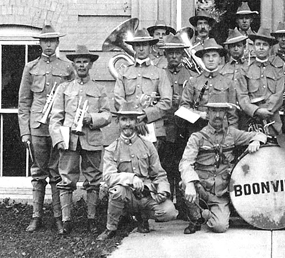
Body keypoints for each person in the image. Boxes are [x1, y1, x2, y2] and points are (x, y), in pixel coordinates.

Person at [179, 96, 267, 234]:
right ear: (207, 114)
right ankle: (195, 218)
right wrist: (190, 183)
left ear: (226, 115)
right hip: (200, 188)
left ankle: (209, 214)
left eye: (222, 112)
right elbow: (185, 163)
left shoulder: (232, 134)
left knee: (219, 227)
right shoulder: (197, 137)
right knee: (185, 184)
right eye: (214, 111)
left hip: (220, 192)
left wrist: (256, 141)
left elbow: (260, 134)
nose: (218, 115)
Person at [18, 25, 75, 233]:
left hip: (58, 127)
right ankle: (36, 216)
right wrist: (25, 131)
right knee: (38, 171)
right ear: (39, 43)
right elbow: (24, 102)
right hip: (38, 127)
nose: (49, 45)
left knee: (58, 172)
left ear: (58, 43)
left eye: (52, 41)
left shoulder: (68, 68)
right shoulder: (31, 67)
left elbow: (73, 98)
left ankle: (59, 218)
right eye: (45, 41)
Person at [49, 45, 111, 234]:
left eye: (85, 61)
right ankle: (67, 221)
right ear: (73, 64)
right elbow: (55, 117)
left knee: (93, 180)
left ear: (91, 64)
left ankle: (91, 219)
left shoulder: (99, 88)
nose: (82, 65)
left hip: (91, 139)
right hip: (69, 140)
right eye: (78, 62)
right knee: (66, 179)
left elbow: (107, 115)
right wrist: (58, 138)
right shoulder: (64, 88)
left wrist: (91, 118)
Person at [96, 104, 178, 240]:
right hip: (127, 194)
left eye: (131, 120)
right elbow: (108, 177)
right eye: (123, 119)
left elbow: (159, 173)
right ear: (118, 122)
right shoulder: (112, 149)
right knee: (117, 191)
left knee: (169, 212)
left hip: (147, 194)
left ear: (136, 121)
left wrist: (163, 191)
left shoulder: (148, 145)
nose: (127, 124)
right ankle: (111, 227)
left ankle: (142, 217)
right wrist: (131, 178)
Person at [113, 28, 173, 149]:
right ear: (133, 48)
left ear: (150, 47)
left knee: (151, 166)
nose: (141, 48)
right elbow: (118, 99)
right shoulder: (124, 71)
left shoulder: (160, 72)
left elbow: (167, 101)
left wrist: (146, 115)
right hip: (128, 129)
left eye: (144, 45)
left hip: (153, 129)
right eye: (138, 45)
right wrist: (133, 118)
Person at [160, 34, 196, 218]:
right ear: (165, 54)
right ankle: (167, 203)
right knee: (166, 167)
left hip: (184, 129)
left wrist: (182, 101)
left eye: (177, 52)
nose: (174, 56)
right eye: (170, 53)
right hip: (164, 127)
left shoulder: (192, 76)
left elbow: (196, 103)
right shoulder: (159, 74)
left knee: (182, 165)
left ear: (183, 54)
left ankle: (183, 206)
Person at [179, 38, 239, 133]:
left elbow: (233, 115)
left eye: (214, 56)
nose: (211, 59)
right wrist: (199, 114)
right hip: (198, 130)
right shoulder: (193, 82)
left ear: (220, 59)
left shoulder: (228, 83)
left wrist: (232, 136)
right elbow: (183, 108)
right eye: (207, 56)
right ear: (202, 59)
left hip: (222, 132)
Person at [236, 28, 285, 134]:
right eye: (258, 44)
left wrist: (267, 110)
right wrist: (256, 111)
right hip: (251, 122)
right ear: (253, 46)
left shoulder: (277, 69)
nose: (261, 47)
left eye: (265, 44)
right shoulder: (245, 69)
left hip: (273, 122)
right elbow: (242, 96)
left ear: (270, 48)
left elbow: (279, 94)